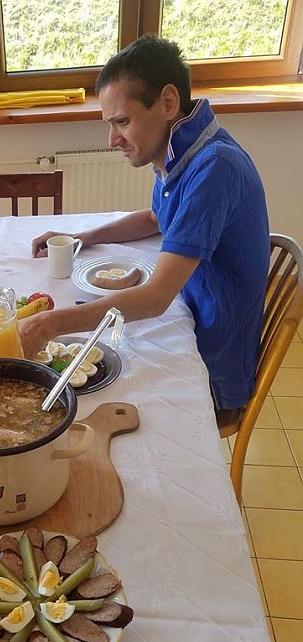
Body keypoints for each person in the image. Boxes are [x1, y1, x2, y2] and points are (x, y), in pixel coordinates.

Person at [25, 36, 270, 425]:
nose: (112, 140)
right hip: (188, 317)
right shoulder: (183, 150)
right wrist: (86, 237)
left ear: (168, 103)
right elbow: (158, 218)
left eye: (122, 121)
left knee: (82, 407)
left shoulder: (215, 168)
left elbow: (155, 299)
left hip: (212, 366)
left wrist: (47, 325)